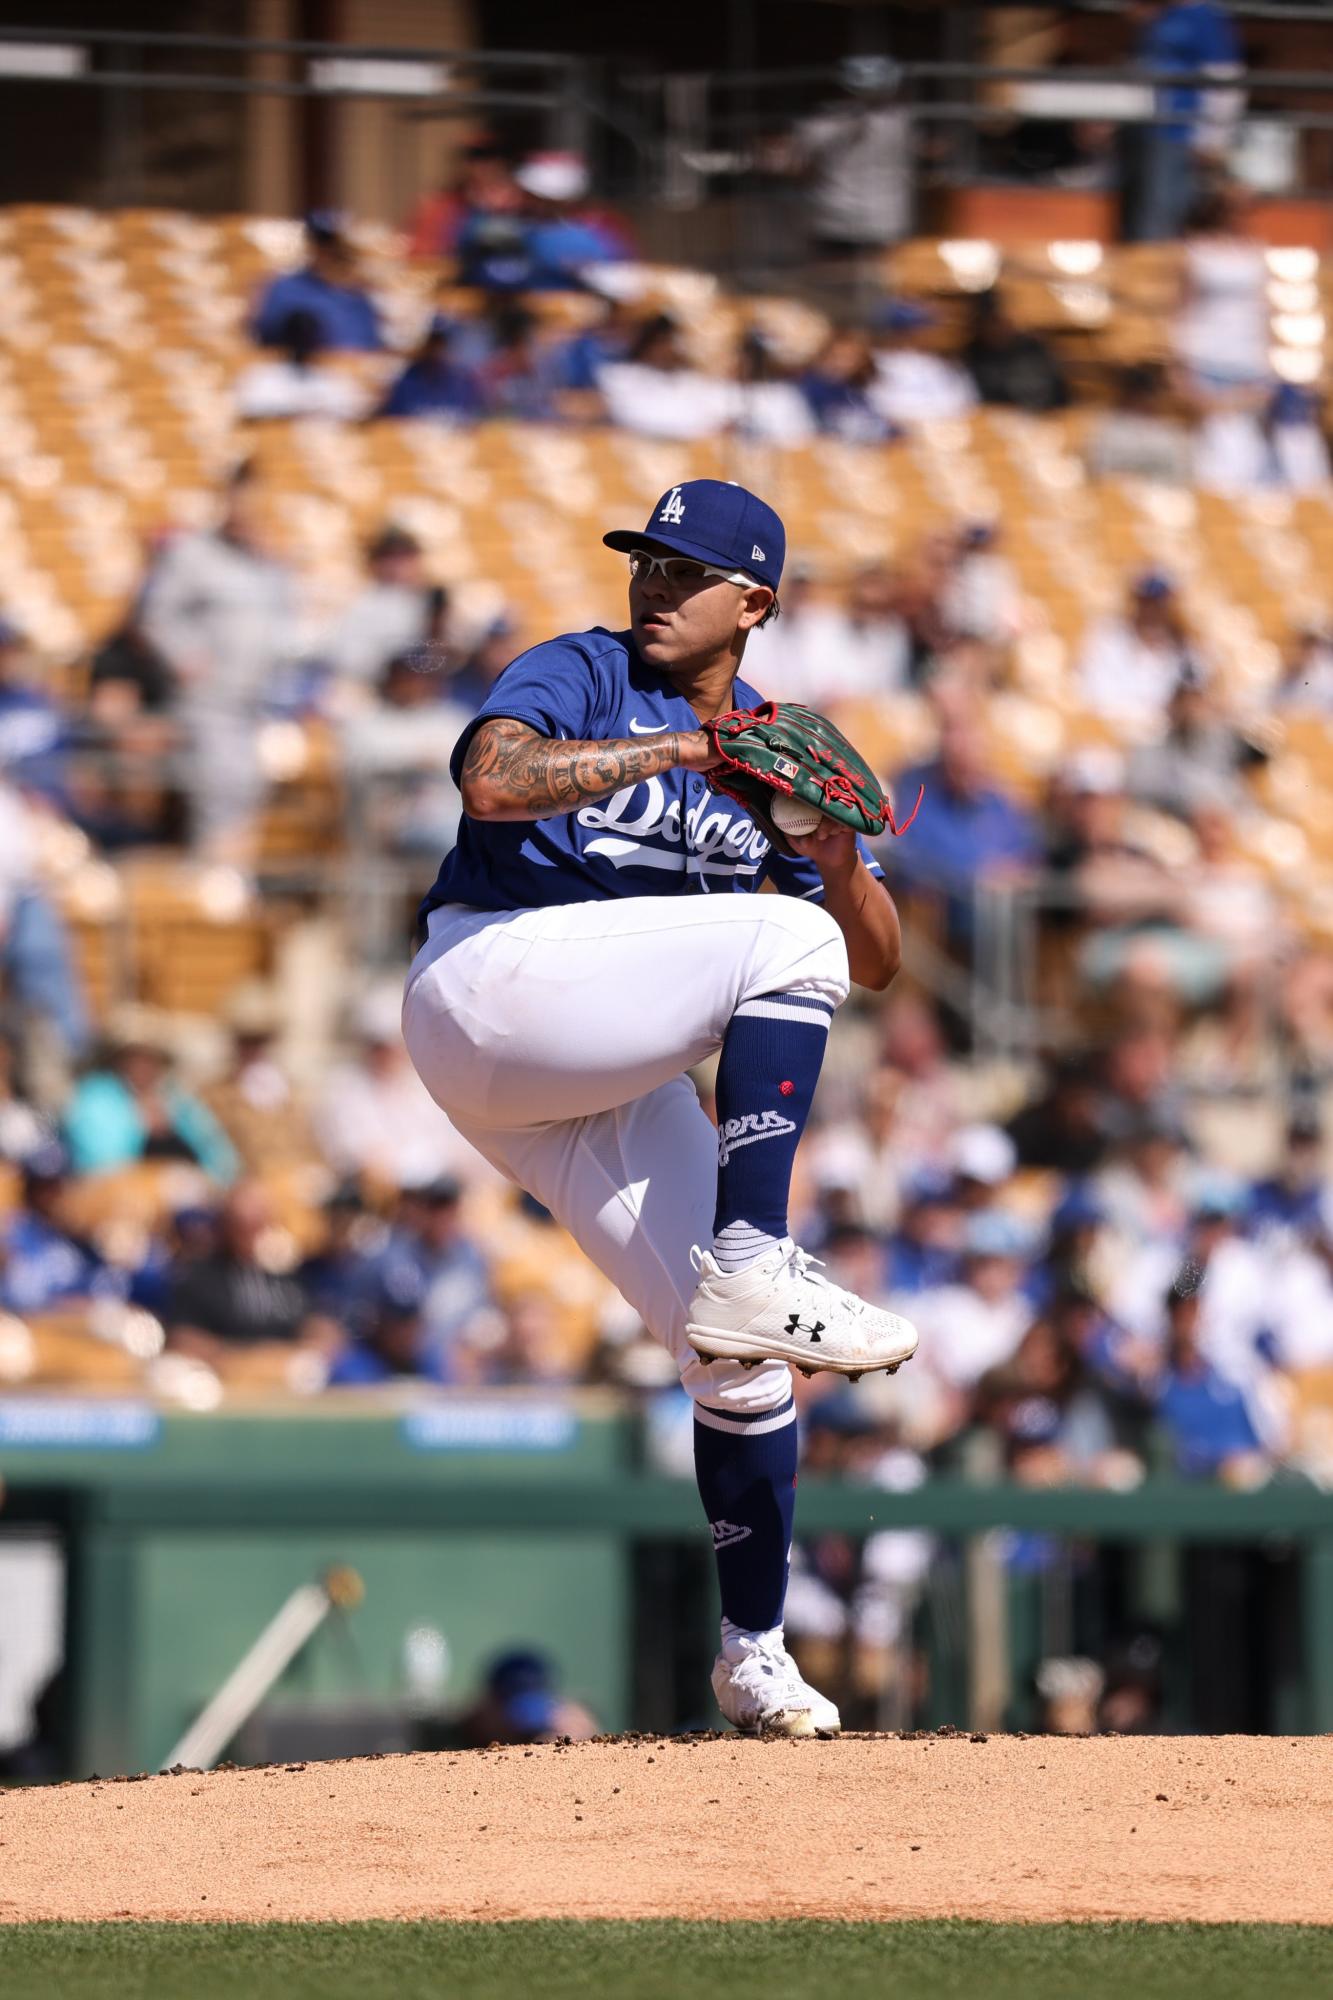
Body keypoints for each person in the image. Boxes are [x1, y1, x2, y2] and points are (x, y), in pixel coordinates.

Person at [401, 477, 919, 1738]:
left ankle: (754, 1654)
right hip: (490, 980)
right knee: (782, 940)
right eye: (646, 561)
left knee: (739, 1365)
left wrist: (833, 853)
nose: (654, 585)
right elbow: (491, 779)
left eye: (686, 572)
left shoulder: (771, 744)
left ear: (755, 603)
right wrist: (687, 749)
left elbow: (874, 961)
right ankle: (753, 1254)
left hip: (592, 1077)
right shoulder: (587, 668)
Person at [138, 461, 303, 861]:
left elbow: (287, 629)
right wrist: (185, 658)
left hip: (260, 702)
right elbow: (156, 615)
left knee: (253, 795)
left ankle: (232, 881)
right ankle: (210, 881)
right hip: (209, 702)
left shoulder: (271, 567)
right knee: (218, 792)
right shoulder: (192, 554)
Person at [1124, 1, 1243, 243]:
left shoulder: (1204, 17)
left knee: (1164, 213)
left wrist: (1213, 137)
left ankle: (1160, 261)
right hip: (1148, 126)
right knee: (1142, 211)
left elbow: (1225, 78)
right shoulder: (1163, 15)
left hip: (1181, 130)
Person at [1077, 570, 1201, 724]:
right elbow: (1092, 695)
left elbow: (1198, 695)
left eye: (1160, 605)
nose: (1153, 611)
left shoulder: (1184, 647)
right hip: (1110, 726)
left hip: (1164, 731)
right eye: (1147, 603)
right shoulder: (1108, 636)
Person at [251, 211, 382, 352]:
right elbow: (269, 338)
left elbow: (371, 343)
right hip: (303, 364)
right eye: (323, 247)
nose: (329, 254)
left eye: (337, 249)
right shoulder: (286, 288)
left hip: (359, 363)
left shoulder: (359, 296)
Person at [235, 309, 368, 422]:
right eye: (298, 338)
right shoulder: (261, 377)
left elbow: (353, 413)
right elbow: (249, 410)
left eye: (308, 339)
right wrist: (300, 410)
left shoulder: (333, 379)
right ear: (286, 339)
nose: (302, 345)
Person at [961, 290, 1070, 414]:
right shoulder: (974, 354)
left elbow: (1059, 394)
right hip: (998, 418)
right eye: (990, 322)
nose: (997, 329)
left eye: (999, 320)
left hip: (1045, 417)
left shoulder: (1033, 347)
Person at [377, 315, 485, 423]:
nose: (435, 351)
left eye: (440, 344)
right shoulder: (401, 381)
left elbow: (475, 422)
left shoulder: (464, 382)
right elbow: (387, 423)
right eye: (430, 343)